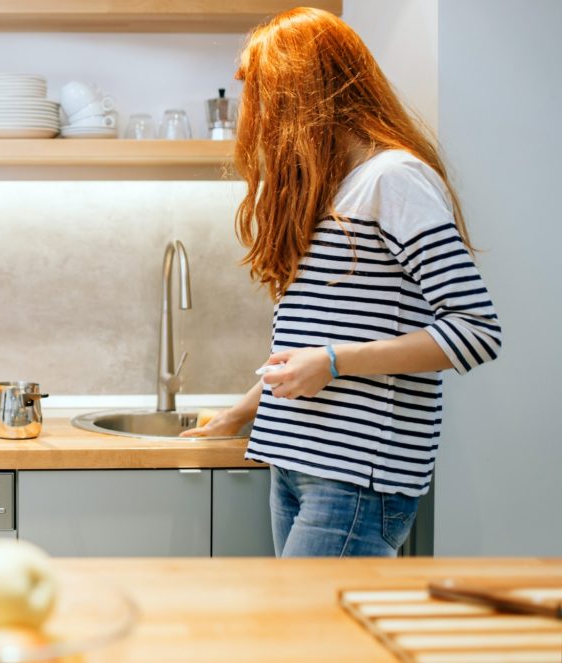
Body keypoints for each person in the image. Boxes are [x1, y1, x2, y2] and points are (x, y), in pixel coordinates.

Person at [181, 7, 503, 557]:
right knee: (301, 640)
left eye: (265, 99)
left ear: (305, 95)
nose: (255, 119)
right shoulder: (336, 190)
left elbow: (476, 331)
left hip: (355, 477)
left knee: (313, 644)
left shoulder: (393, 179)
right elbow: (312, 343)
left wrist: (333, 363)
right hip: (297, 460)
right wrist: (244, 410)